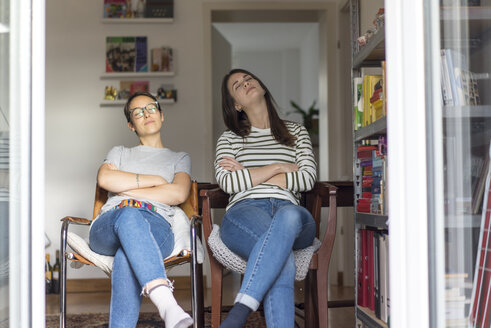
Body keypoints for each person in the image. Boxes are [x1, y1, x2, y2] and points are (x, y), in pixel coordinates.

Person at [215, 69, 317, 327]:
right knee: (279, 257)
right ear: (237, 104)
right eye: (237, 85)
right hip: (245, 212)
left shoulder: (297, 132)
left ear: (261, 85)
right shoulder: (230, 139)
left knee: (289, 214)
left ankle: (240, 310)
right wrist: (278, 167)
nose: (245, 83)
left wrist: (251, 174)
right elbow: (229, 182)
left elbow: (307, 179)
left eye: (248, 78)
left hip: (291, 215)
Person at [89, 91, 194, 328]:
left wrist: (126, 191)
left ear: (161, 115)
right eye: (137, 112)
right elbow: (105, 178)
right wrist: (156, 180)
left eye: (151, 108)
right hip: (110, 224)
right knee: (128, 214)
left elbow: (177, 194)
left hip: (156, 227)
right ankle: (167, 303)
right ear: (130, 125)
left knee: (127, 254)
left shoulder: (179, 157)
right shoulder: (120, 152)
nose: (146, 113)